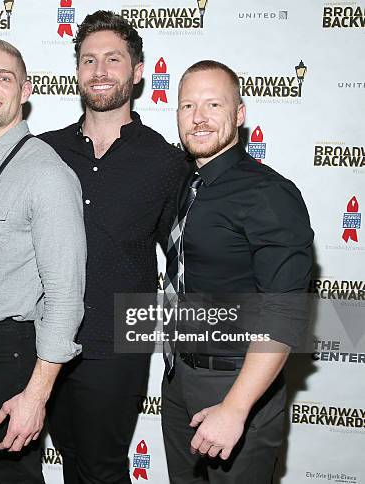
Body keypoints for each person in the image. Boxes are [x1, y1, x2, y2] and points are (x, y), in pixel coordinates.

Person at [39, 11, 188, 484]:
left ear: (138, 71)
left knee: (104, 466)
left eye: (113, 59)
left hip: (124, 333)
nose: (99, 71)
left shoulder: (165, 160)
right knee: (69, 459)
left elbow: (185, 254)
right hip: (48, 334)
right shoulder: (45, 151)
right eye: (88, 60)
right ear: (77, 71)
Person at [160, 60, 313, 483]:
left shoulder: (269, 194)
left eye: (213, 104)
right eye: (187, 105)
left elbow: (283, 315)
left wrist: (235, 407)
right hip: (178, 382)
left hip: (237, 384)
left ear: (240, 114)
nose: (199, 117)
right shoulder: (187, 186)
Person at [0, 39, 86, 483]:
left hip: (10, 349)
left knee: (14, 477)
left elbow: (66, 296)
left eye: (3, 78)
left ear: (25, 91)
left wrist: (36, 395)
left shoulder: (48, 173)